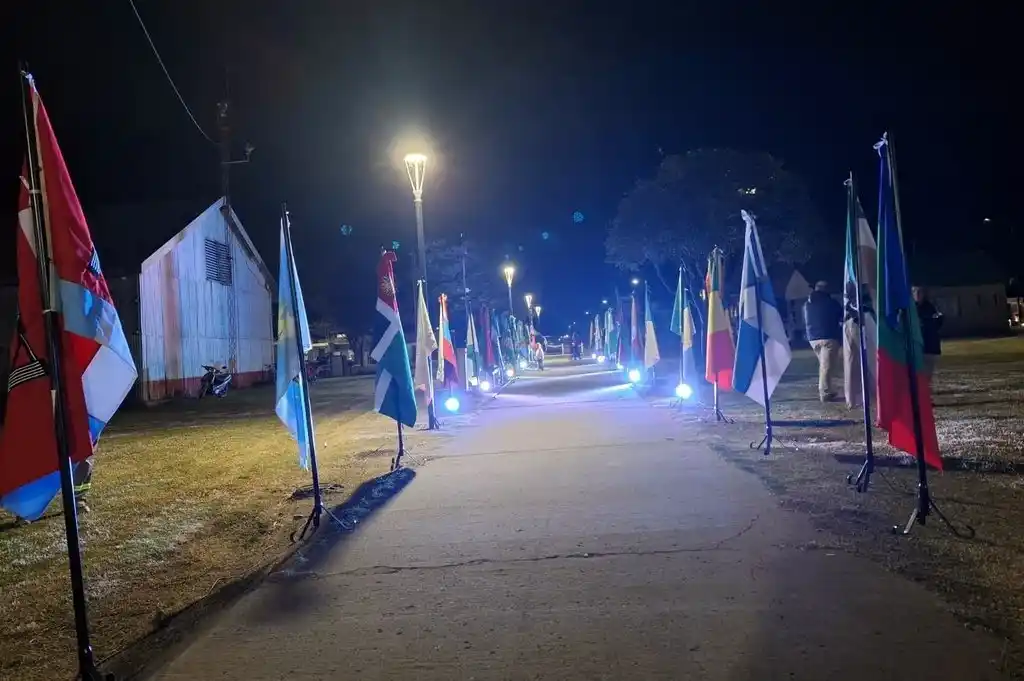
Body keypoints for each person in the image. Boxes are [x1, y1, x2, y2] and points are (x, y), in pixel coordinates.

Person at [803, 280, 843, 402]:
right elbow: (841, 316)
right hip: (829, 337)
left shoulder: (807, 304)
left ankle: (829, 390)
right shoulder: (832, 303)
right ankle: (825, 392)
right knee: (826, 366)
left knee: (825, 365)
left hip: (813, 338)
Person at [913, 286, 943, 377]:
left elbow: (937, 323)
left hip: (929, 347)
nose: (918, 295)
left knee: (927, 374)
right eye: (916, 293)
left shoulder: (930, 307)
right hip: (916, 348)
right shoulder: (911, 309)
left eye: (920, 293)